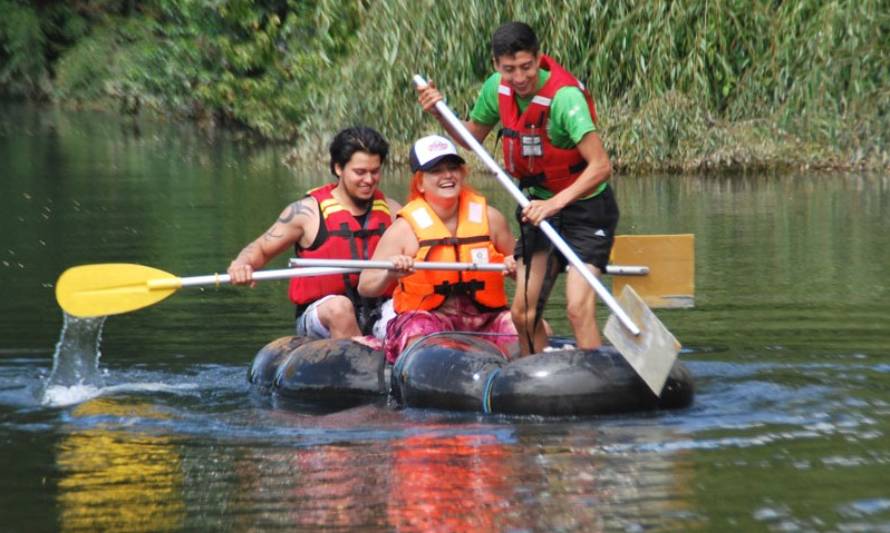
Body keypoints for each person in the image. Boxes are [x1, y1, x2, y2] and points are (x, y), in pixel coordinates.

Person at [416, 21, 618, 356]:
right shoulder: (497, 89)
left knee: (577, 309)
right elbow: (470, 138)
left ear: (539, 58)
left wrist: (555, 204)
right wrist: (441, 113)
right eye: (509, 70)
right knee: (522, 313)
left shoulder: (565, 98)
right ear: (496, 65)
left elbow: (601, 166)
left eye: (526, 67)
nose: (519, 78)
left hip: (586, 210)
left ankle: (596, 382)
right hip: (535, 209)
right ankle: (533, 376)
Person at [227, 126, 401, 340]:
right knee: (340, 307)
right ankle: (358, 362)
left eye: (375, 172)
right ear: (339, 168)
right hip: (323, 315)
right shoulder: (306, 213)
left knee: (412, 310)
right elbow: (261, 249)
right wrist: (241, 265)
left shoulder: (392, 211)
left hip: (377, 311)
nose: (369, 180)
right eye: (360, 172)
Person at [357, 135, 518, 364]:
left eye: (453, 168)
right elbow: (366, 285)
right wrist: (389, 273)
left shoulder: (491, 219)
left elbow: (524, 269)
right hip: (429, 319)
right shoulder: (403, 229)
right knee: (418, 331)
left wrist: (515, 266)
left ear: (462, 173)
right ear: (420, 182)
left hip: (485, 319)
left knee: (525, 324)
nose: (447, 176)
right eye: (436, 170)